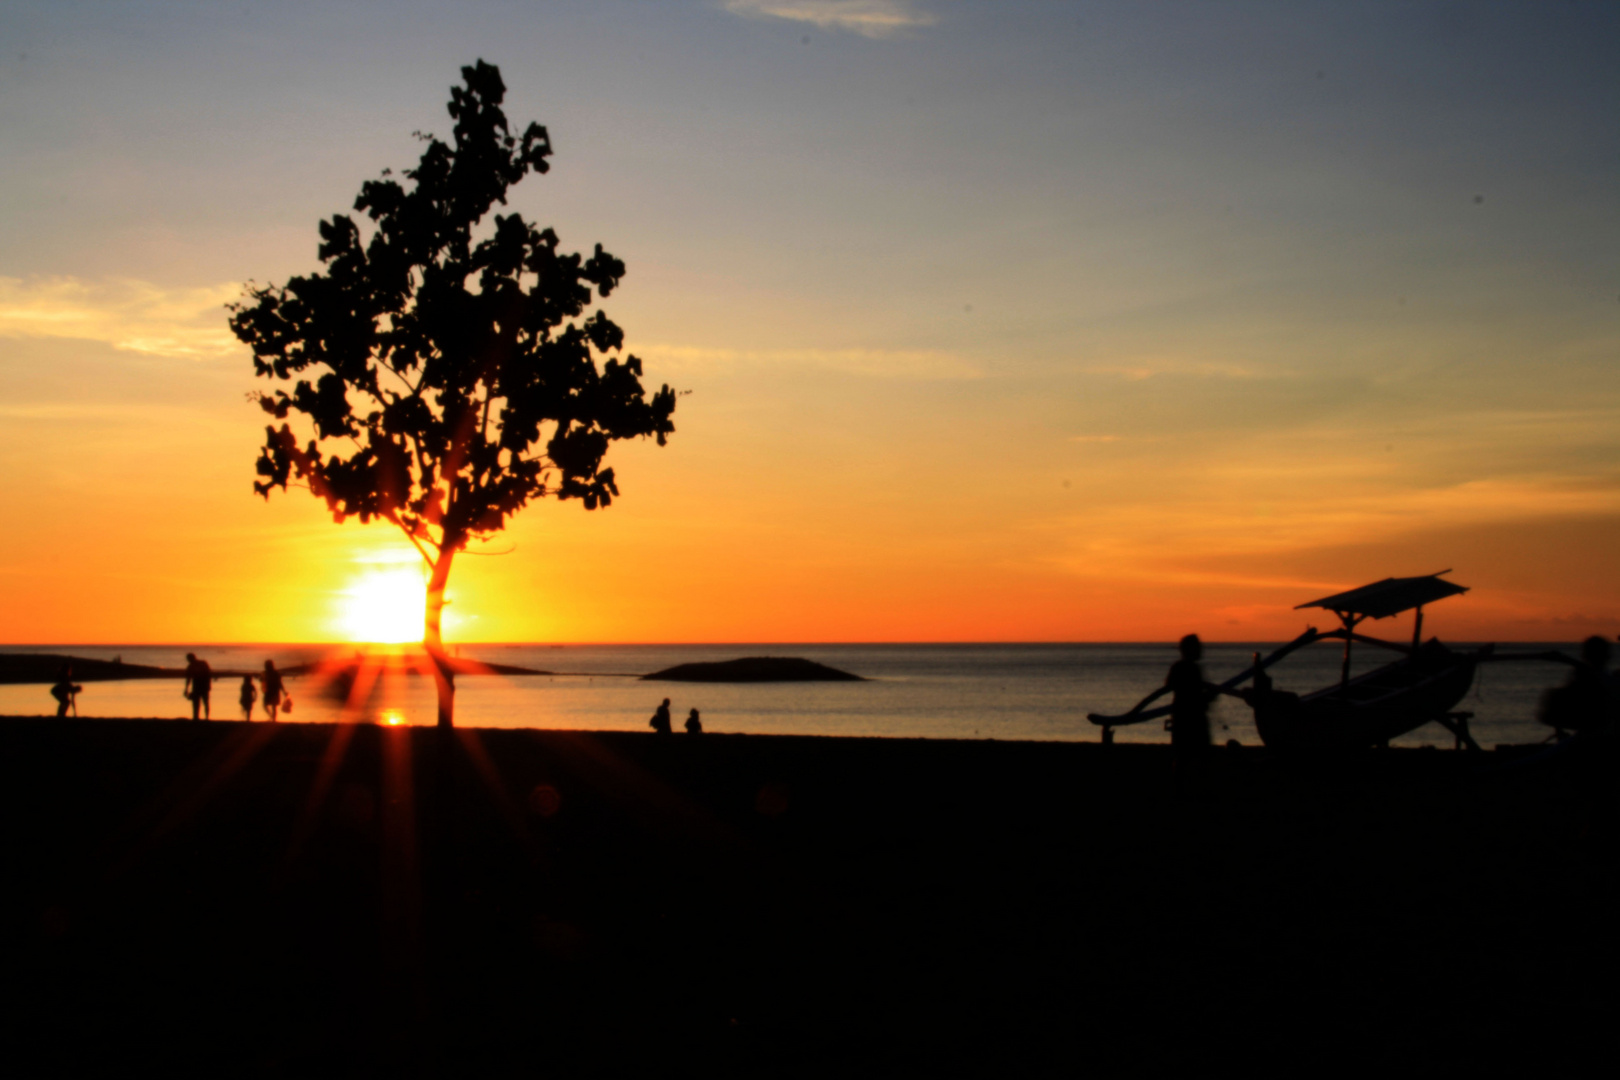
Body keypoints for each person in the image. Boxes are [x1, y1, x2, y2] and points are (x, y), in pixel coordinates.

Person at [1165, 634, 1214, 761]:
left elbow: (1170, 685)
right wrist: (1208, 696)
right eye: (1198, 646)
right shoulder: (1190, 668)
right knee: (1193, 758)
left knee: (1182, 758)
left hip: (1182, 718)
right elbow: (1193, 696)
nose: (1201, 649)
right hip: (1191, 720)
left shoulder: (1179, 667)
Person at [183, 652, 213, 721]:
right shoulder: (203, 663)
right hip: (204, 686)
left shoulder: (191, 666)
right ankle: (206, 717)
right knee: (205, 702)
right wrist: (209, 685)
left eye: (188, 659)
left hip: (198, 686)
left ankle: (197, 717)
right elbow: (209, 674)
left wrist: (186, 689)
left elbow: (188, 679)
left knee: (197, 703)